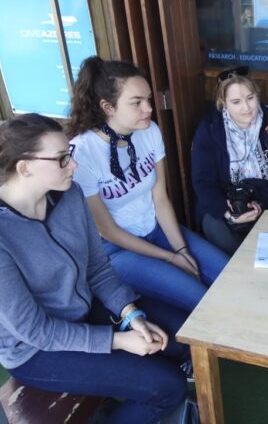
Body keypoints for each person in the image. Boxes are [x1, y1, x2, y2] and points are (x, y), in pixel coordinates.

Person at [0, 114, 190, 424]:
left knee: (182, 339)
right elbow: (37, 332)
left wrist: (131, 314)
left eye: (70, 155)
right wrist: (119, 340)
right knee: (169, 387)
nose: (73, 165)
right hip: (36, 352)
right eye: (62, 159)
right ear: (25, 168)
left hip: (85, 309)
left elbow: (98, 268)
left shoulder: (70, 194)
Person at [68, 56, 229, 313]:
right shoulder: (83, 153)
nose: (148, 108)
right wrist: (171, 257)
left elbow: (160, 198)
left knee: (229, 275)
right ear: (108, 107)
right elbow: (107, 230)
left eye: (148, 99)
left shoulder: (149, 130)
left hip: (156, 229)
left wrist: (181, 249)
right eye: (137, 102)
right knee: (203, 302)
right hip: (117, 250)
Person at [191, 66, 268, 255]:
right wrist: (228, 212)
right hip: (223, 206)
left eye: (250, 98)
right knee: (220, 232)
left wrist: (259, 204)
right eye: (236, 102)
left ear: (257, 95)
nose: (246, 108)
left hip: (267, 200)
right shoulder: (209, 129)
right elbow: (203, 181)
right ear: (224, 103)